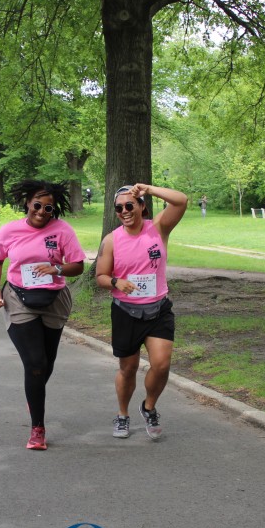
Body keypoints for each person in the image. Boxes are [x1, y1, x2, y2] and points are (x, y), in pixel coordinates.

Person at [0, 180, 86, 450]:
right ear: (28, 203)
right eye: (37, 205)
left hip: (54, 299)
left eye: (48, 208)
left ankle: (34, 391)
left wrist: (57, 269)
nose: (42, 211)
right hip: (18, 298)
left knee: (47, 363)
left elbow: (78, 265)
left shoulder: (63, 230)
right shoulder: (10, 230)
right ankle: (37, 429)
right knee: (35, 362)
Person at [95, 183, 188, 440]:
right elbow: (100, 276)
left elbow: (181, 200)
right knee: (128, 368)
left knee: (161, 365)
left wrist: (149, 189)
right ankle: (122, 414)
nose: (124, 211)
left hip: (158, 309)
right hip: (126, 311)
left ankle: (148, 407)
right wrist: (116, 282)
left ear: (141, 206)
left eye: (129, 205)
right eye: (119, 208)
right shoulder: (111, 240)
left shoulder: (158, 228)